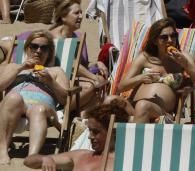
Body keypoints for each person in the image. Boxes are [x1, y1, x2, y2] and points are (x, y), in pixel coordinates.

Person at [0, 30, 73, 163]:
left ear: (49, 52)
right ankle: (3, 150)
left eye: (44, 48)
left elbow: (64, 99)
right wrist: (21, 68)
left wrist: (50, 81)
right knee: (13, 98)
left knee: (38, 109)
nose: (38, 51)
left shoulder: (56, 71)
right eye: (34, 46)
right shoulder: (13, 67)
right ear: (27, 48)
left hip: (44, 109)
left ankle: (32, 156)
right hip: (15, 106)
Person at [115, 18, 195, 123]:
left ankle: (135, 130)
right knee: (111, 100)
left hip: (159, 111)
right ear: (155, 41)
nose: (170, 40)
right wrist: (140, 78)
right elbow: (121, 87)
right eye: (164, 37)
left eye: (173, 36)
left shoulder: (183, 56)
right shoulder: (144, 57)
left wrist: (185, 64)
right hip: (133, 107)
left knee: (143, 106)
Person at [24, 98, 131, 171]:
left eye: (95, 132)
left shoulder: (123, 164)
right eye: (89, 130)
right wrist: (45, 159)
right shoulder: (81, 155)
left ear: (113, 132)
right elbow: (28, 161)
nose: (90, 136)